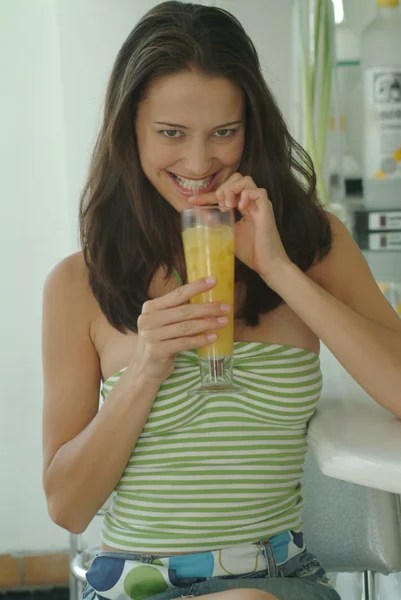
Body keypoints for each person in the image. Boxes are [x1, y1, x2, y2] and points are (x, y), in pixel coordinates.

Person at [42, 2, 401, 600]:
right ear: (129, 128)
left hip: (280, 582)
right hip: (135, 586)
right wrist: (147, 367)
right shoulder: (80, 284)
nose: (199, 163)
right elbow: (69, 507)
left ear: (252, 127)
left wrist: (279, 269)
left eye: (224, 133)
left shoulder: (313, 245)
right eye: (171, 134)